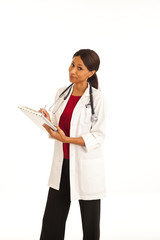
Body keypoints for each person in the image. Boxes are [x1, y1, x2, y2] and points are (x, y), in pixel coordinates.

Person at [38, 49, 107, 240]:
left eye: (79, 68)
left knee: (90, 223)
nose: (72, 71)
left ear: (91, 72)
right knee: (52, 220)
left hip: (86, 167)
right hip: (63, 166)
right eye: (72, 65)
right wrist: (47, 119)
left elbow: (98, 136)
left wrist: (67, 140)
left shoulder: (97, 99)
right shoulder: (61, 93)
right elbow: (61, 124)